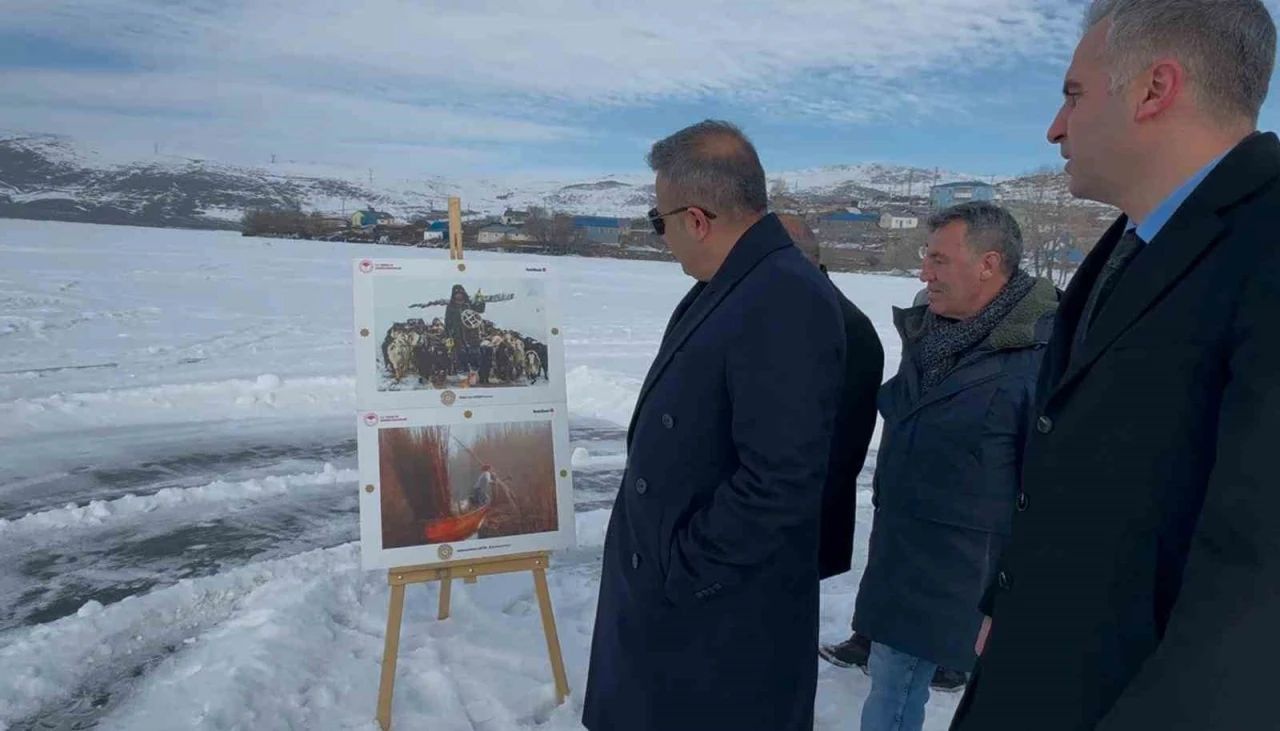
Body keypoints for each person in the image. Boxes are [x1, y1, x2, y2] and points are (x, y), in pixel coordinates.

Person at [951, 2, 1279, 730]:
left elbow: (1259, 584)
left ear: (1154, 89)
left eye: (1072, 94)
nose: (1054, 128)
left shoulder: (1266, 242)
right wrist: (1007, 603)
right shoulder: (1133, 242)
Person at [582, 121, 846, 731]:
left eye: (660, 221)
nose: (663, 237)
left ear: (696, 219)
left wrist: (686, 569)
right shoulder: (730, 285)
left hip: (716, 626)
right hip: (680, 612)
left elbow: (781, 479)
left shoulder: (784, 297)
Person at [846, 202, 1059, 731]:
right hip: (902, 550)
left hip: (975, 571)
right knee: (891, 688)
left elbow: (1057, 485)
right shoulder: (931, 333)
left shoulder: (1048, 349)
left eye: (939, 259)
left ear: (988, 264)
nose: (924, 272)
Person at [777, 214, 885, 581]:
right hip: (779, 527)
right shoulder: (793, 314)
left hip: (791, 532)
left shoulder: (839, 327)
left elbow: (835, 451)